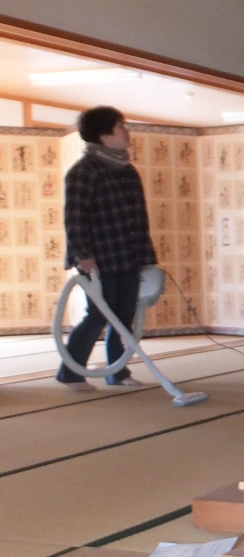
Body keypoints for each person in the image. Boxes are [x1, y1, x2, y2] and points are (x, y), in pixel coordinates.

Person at [55, 106, 158, 392]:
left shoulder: (128, 170)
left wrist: (145, 255)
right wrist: (83, 255)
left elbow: (139, 217)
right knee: (99, 315)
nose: (127, 131)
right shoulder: (83, 171)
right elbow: (75, 217)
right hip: (98, 258)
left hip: (128, 255)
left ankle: (117, 371)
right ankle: (70, 372)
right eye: (120, 126)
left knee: (124, 317)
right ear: (104, 135)